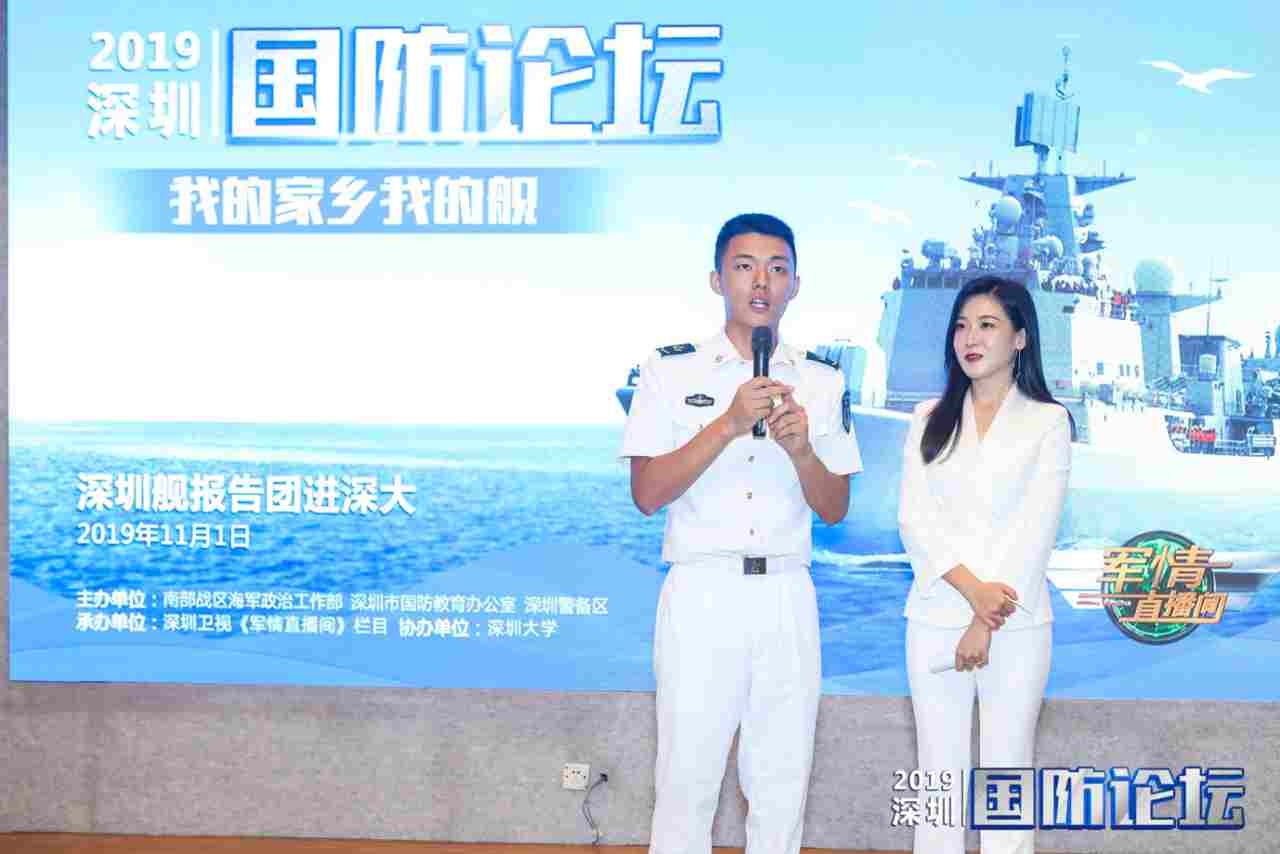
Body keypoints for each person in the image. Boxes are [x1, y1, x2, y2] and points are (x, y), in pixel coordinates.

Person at [620, 213, 862, 854]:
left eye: (777, 269)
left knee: (782, 783)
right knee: (686, 780)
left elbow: (835, 508)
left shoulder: (822, 379)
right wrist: (727, 423)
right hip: (702, 590)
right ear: (717, 279)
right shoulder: (670, 371)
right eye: (745, 266)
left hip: (786, 594)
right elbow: (647, 494)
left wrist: (803, 452)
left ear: (795, 285)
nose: (762, 282)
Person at [897, 275, 1073, 854]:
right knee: (938, 780)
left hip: (1015, 625)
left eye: (987, 325)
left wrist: (984, 618)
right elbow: (914, 520)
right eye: (962, 326)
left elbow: (1036, 531)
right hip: (934, 618)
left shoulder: (1048, 421)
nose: (970, 338)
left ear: (1020, 338)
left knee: (1007, 777)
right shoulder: (927, 417)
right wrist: (972, 594)